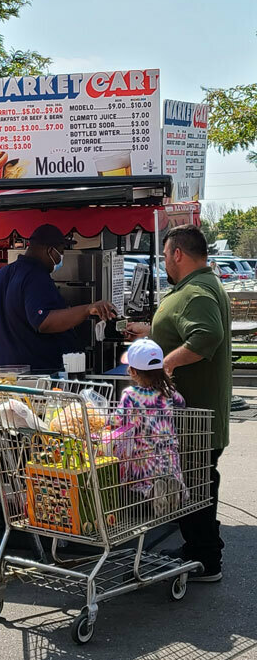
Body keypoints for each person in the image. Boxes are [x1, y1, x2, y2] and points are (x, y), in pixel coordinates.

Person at [127, 224, 231, 581]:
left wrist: (165, 365)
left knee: (195, 486)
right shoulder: (200, 285)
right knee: (199, 483)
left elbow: (207, 334)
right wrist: (153, 333)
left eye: (166, 256)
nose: (165, 264)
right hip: (197, 413)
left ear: (177, 254)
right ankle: (201, 549)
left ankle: (205, 559)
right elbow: (189, 329)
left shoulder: (196, 292)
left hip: (194, 415)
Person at [0, 224, 117, 373]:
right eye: (60, 252)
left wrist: (11, 338)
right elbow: (44, 322)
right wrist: (87, 309)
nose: (60, 258)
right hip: (35, 376)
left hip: (1, 375)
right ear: (50, 251)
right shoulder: (35, 277)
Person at [113, 338, 187, 510]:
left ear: (133, 371)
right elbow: (182, 403)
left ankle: (152, 493)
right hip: (169, 455)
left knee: (142, 484)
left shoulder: (130, 394)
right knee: (170, 474)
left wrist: (105, 420)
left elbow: (118, 419)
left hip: (144, 456)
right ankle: (175, 488)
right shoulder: (168, 391)